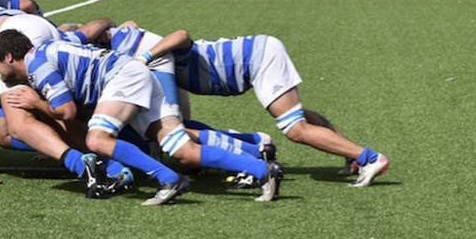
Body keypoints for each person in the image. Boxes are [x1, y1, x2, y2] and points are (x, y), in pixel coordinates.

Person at [0, 31, 283, 202]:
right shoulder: (47, 50)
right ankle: (262, 170)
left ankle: (169, 180)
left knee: (97, 139)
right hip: (134, 74)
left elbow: (66, 112)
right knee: (182, 149)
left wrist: (36, 103)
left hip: (124, 78)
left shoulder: (38, 66)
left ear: (8, 57)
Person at [141, 28, 390, 187]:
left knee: (295, 129)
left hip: (258, 59)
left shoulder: (164, 55)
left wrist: (145, 57)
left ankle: (370, 158)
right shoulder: (166, 72)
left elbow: (182, 34)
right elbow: (182, 119)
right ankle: (353, 156)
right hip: (258, 57)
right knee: (297, 116)